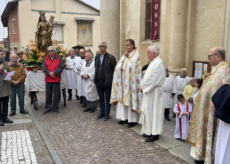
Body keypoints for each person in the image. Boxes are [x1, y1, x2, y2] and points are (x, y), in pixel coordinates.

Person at [186, 46, 230, 164]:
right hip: (204, 107)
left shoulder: (223, 71)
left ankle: (206, 156)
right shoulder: (217, 68)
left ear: (218, 56)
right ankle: (200, 155)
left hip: (211, 109)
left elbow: (214, 90)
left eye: (209, 56)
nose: (207, 58)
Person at [110, 39, 142, 128]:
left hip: (131, 83)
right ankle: (124, 118)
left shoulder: (136, 55)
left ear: (132, 46)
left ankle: (132, 120)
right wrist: (124, 58)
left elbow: (132, 67)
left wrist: (126, 59)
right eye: (125, 45)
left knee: (130, 99)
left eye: (128, 45)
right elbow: (117, 67)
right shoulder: (125, 55)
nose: (126, 47)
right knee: (123, 99)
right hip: (123, 82)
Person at [139, 45, 165, 142]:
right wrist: (142, 84)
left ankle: (155, 133)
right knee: (148, 111)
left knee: (155, 113)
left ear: (154, 54)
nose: (147, 54)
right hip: (149, 91)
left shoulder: (159, 64)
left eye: (148, 52)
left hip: (154, 92)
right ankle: (149, 131)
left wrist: (143, 87)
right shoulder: (153, 62)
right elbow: (147, 76)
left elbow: (153, 79)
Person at [94, 41, 117, 121]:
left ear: (106, 48)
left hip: (107, 82)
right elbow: (96, 68)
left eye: (102, 46)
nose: (100, 47)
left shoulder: (111, 57)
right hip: (98, 81)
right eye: (99, 46)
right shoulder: (96, 57)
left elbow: (115, 70)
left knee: (107, 98)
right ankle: (102, 112)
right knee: (100, 98)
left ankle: (107, 113)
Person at [42, 46, 64, 114]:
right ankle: (48, 107)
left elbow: (61, 67)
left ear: (54, 51)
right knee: (48, 94)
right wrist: (49, 73)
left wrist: (54, 73)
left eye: (51, 50)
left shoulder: (59, 58)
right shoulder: (45, 59)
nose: (50, 52)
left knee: (56, 94)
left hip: (56, 79)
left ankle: (55, 107)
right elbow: (43, 68)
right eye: (49, 51)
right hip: (48, 79)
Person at [211, 84, 230, 164]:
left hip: (225, 122)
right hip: (227, 123)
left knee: (223, 146)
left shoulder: (226, 88)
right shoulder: (226, 88)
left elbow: (215, 98)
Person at [0, 50, 13, 126]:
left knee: (6, 103)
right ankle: (0, 119)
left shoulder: (5, 62)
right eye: (0, 54)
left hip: (6, 86)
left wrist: (11, 75)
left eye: (1, 54)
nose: (1, 56)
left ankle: (5, 117)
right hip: (0, 87)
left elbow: (8, 71)